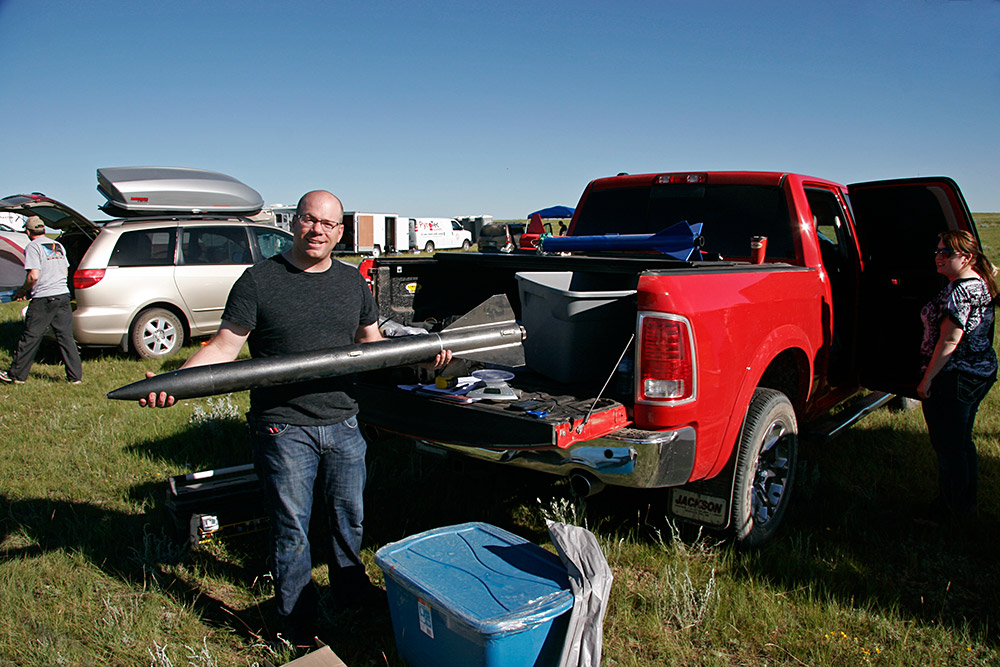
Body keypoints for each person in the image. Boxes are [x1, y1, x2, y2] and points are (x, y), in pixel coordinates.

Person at [140, 190, 448, 645]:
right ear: (295, 222)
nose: (317, 230)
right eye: (309, 219)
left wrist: (421, 354)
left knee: (350, 518)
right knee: (291, 529)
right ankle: (296, 620)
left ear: (340, 232)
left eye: (328, 223)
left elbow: (371, 343)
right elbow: (225, 346)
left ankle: (348, 589)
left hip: (344, 421)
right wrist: (173, 383)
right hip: (283, 425)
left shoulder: (351, 283)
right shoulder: (260, 281)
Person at [917, 230, 997, 524]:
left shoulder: (959, 291)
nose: (939, 258)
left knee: (949, 446)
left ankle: (949, 512)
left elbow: (950, 341)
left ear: (968, 257)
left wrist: (928, 380)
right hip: (979, 371)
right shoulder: (979, 283)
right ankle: (963, 504)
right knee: (962, 443)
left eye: (947, 253)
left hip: (955, 375)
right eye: (937, 252)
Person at [0, 216, 83, 385]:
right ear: (44, 230)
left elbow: (33, 276)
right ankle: (75, 377)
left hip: (44, 298)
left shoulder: (33, 247)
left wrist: (23, 290)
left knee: (30, 337)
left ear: (28, 232)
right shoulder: (58, 245)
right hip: (62, 295)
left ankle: (16, 375)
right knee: (65, 337)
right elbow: (64, 268)